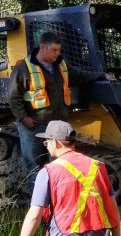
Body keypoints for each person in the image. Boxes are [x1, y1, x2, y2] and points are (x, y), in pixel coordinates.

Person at [8, 31, 115, 189]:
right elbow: (13, 97)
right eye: (54, 50)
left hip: (58, 126)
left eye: (59, 50)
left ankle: (58, 200)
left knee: (59, 165)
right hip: (34, 125)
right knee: (33, 166)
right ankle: (39, 205)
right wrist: (24, 118)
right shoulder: (23, 68)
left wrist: (102, 76)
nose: (58, 53)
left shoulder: (61, 64)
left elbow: (79, 76)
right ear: (43, 47)